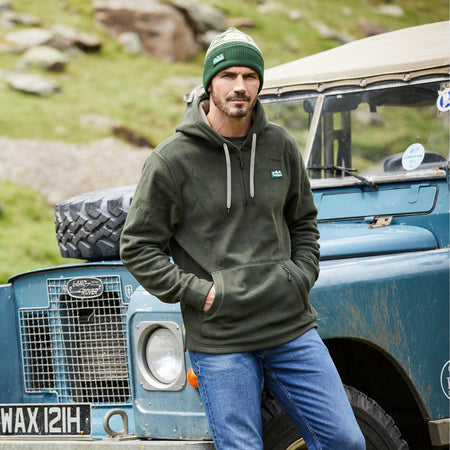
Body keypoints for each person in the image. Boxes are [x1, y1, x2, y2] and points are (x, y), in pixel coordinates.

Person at [120, 28, 365, 450]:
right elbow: (137, 247)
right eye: (228, 75)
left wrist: (298, 276)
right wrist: (202, 293)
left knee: (345, 441)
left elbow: (303, 222)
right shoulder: (170, 160)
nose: (240, 86)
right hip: (222, 339)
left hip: (290, 328)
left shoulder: (280, 145)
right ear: (209, 84)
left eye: (250, 76)